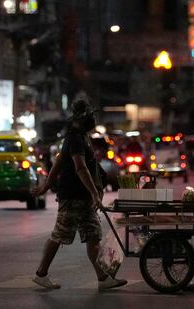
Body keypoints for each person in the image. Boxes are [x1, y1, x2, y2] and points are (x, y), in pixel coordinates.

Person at [32, 100, 127, 292]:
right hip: (73, 196)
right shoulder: (75, 139)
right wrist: (95, 194)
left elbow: (59, 163)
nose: (93, 119)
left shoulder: (81, 137)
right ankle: (41, 274)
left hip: (84, 199)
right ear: (81, 119)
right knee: (59, 235)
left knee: (93, 236)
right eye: (90, 116)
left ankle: (103, 278)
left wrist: (46, 185)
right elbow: (80, 168)